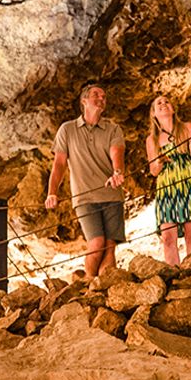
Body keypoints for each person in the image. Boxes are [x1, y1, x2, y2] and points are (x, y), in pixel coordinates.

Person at [45, 83, 125, 279]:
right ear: (84, 101)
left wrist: (117, 172)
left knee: (109, 246)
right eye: (96, 95)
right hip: (85, 198)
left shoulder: (113, 129)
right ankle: (89, 283)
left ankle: (105, 289)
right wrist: (52, 192)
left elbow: (117, 153)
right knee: (96, 243)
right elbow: (59, 164)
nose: (101, 98)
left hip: (111, 193)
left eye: (104, 96)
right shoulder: (67, 129)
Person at [146, 95, 191, 265]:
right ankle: (174, 273)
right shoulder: (152, 140)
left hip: (189, 183)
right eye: (159, 103)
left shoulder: (187, 127)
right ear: (154, 114)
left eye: (166, 102)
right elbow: (154, 171)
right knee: (167, 237)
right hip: (167, 187)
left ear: (173, 109)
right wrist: (158, 162)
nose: (164, 104)